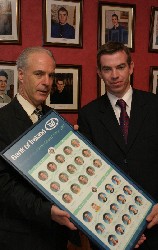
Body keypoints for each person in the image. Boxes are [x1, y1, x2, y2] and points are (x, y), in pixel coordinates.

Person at [78, 41, 158, 249]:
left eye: (120, 67)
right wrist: (115, 226)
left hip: (157, 221)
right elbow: (90, 175)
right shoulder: (88, 114)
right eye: (107, 69)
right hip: (110, 228)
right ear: (99, 72)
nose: (114, 75)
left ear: (131, 67)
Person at [0, 46, 78, 250]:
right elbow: (3, 187)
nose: (47, 82)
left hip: (57, 237)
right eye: (39, 74)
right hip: (19, 238)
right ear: (21, 75)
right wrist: (47, 211)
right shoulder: (2, 121)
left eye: (51, 75)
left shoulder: (56, 120)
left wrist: (76, 148)